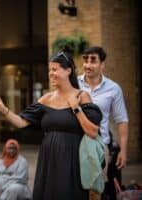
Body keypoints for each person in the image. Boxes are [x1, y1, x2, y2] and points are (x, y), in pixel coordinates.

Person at [0, 52, 103, 199]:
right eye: (50, 70)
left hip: (72, 159)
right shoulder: (46, 99)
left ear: (68, 71)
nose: (51, 73)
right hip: (49, 160)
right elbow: (21, 122)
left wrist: (76, 108)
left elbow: (93, 131)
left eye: (55, 69)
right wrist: (4, 109)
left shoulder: (82, 96)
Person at [78, 46, 129, 198]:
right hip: (76, 145)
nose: (88, 65)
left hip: (101, 147)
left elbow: (122, 120)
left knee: (98, 191)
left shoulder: (113, 89)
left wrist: (123, 151)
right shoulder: (74, 84)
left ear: (102, 64)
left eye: (93, 61)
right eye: (85, 60)